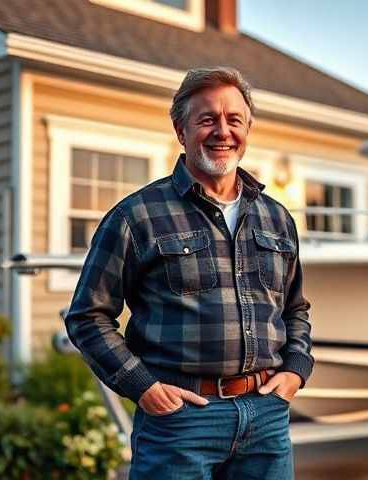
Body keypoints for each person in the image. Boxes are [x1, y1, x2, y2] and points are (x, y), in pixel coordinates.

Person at [65, 66, 313, 479]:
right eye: (207, 119)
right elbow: (88, 317)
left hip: (267, 415)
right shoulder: (136, 216)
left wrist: (295, 370)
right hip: (180, 420)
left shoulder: (277, 218)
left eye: (234, 119)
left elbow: (296, 308)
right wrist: (142, 386)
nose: (222, 131)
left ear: (248, 130)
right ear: (181, 130)